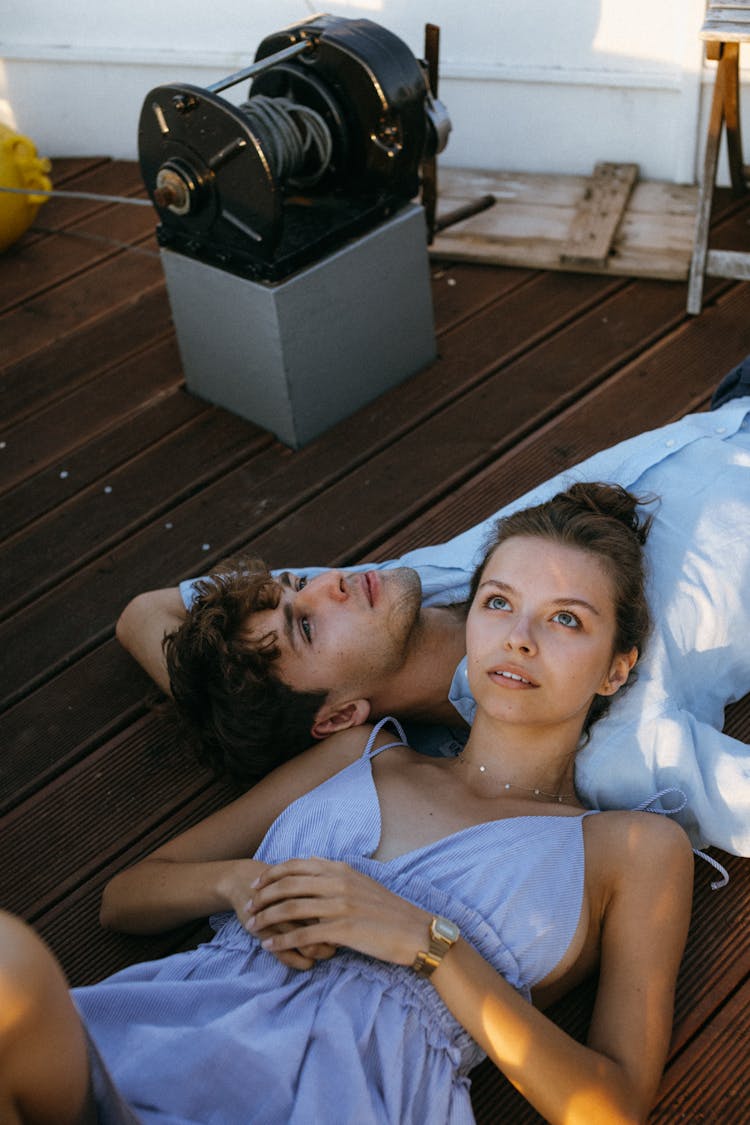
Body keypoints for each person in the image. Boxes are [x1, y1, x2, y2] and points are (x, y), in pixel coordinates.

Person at [0, 483, 694, 1124]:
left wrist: (429, 944)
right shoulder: (359, 751)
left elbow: (614, 1104)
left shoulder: (635, 848)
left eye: (566, 619)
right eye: (499, 601)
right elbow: (124, 895)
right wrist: (240, 882)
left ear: (617, 668)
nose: (519, 636)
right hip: (160, 1051)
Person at [117, 396, 750, 855]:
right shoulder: (598, 739)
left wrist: (229, 708)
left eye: (292, 586)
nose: (325, 581)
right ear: (339, 718)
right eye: (305, 627)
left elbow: (143, 613)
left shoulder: (385, 592)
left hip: (724, 416)